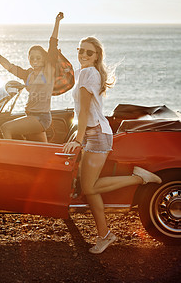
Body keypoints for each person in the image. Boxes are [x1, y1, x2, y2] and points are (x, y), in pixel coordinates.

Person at [64, 36, 162, 254]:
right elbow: (81, 110)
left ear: (97, 55)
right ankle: (105, 235)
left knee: (90, 188)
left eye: (89, 52)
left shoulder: (88, 73)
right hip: (94, 132)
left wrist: (78, 140)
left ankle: (139, 178)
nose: (83, 55)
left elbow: (83, 111)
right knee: (90, 189)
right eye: (81, 50)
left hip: (96, 134)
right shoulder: (83, 73)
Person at [0, 12, 64, 142]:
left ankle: (10, 160)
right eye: (32, 58)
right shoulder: (28, 74)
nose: (34, 60)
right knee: (40, 152)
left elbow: (53, 45)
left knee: (6, 128)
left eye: (38, 57)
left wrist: (57, 21)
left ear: (44, 60)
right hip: (31, 117)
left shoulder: (48, 72)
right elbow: (8, 65)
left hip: (41, 118)